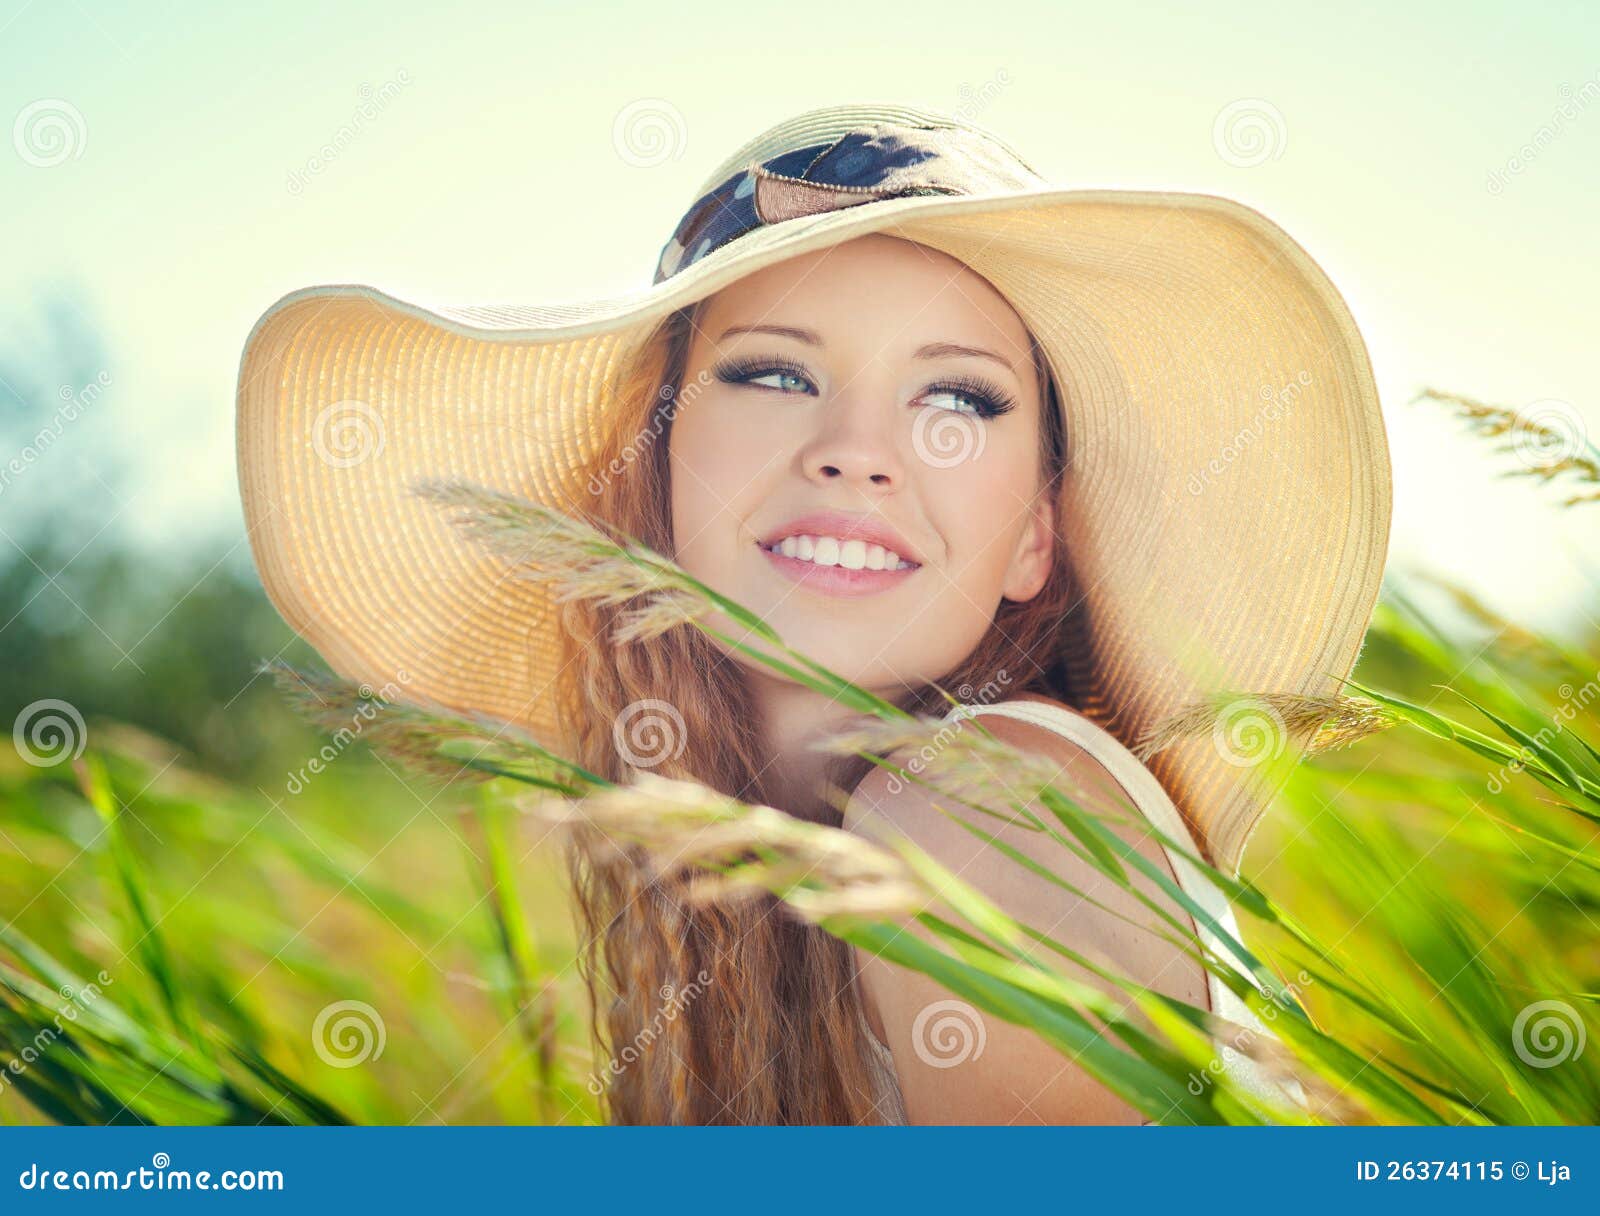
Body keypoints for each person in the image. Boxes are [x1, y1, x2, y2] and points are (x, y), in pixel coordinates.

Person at [235, 103, 1392, 1124]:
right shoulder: (735, 868)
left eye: (956, 396)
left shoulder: (973, 815)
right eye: (776, 374)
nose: (855, 456)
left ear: (1038, 532)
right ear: (655, 464)